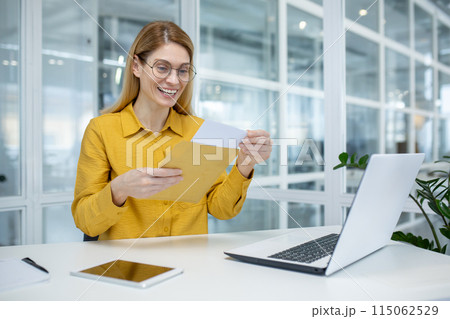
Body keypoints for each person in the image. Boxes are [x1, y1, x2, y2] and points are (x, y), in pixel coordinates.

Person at [71, 21, 272, 240]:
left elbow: (221, 209)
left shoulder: (201, 130)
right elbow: (86, 222)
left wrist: (245, 163)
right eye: (162, 67)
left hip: (191, 266)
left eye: (183, 70)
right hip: (127, 269)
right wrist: (119, 189)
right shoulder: (101, 130)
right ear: (136, 66)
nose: (174, 80)